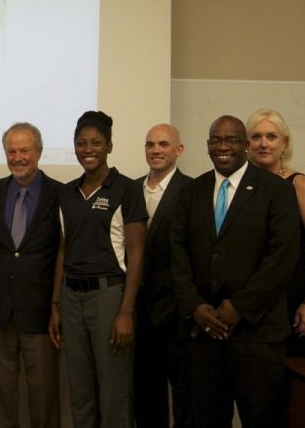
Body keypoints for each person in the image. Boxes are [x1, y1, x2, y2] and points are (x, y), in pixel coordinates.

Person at [171, 115, 299, 427]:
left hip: (257, 334)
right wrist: (195, 306)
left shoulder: (276, 190)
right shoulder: (191, 191)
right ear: (207, 146)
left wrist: (239, 307)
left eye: (231, 140)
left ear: (245, 146)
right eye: (215, 140)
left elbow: (282, 257)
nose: (222, 147)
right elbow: (177, 252)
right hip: (203, 333)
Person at [49, 110, 147, 428]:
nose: (88, 149)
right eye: (81, 143)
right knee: (80, 393)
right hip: (71, 298)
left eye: (96, 143)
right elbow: (63, 249)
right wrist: (55, 304)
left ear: (109, 146)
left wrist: (126, 313)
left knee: (114, 392)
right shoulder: (66, 193)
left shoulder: (126, 189)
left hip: (109, 297)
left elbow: (136, 254)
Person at [0, 122, 62, 428]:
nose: (17, 158)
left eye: (24, 150)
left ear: (38, 152)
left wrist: (57, 304)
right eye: (11, 151)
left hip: (40, 310)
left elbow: (63, 250)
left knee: (43, 392)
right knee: (0, 391)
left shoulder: (60, 193)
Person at [246, 109, 305, 358]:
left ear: (284, 143)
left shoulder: (299, 185)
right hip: (249, 300)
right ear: (247, 143)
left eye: (271, 136)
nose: (263, 143)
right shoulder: (239, 186)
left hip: (291, 298)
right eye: (256, 136)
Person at [133, 123, 192, 427]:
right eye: (150, 144)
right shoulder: (130, 190)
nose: (156, 150)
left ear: (179, 150)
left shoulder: (193, 190)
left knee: (185, 396)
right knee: (146, 394)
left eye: (163, 144)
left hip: (177, 311)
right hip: (138, 310)